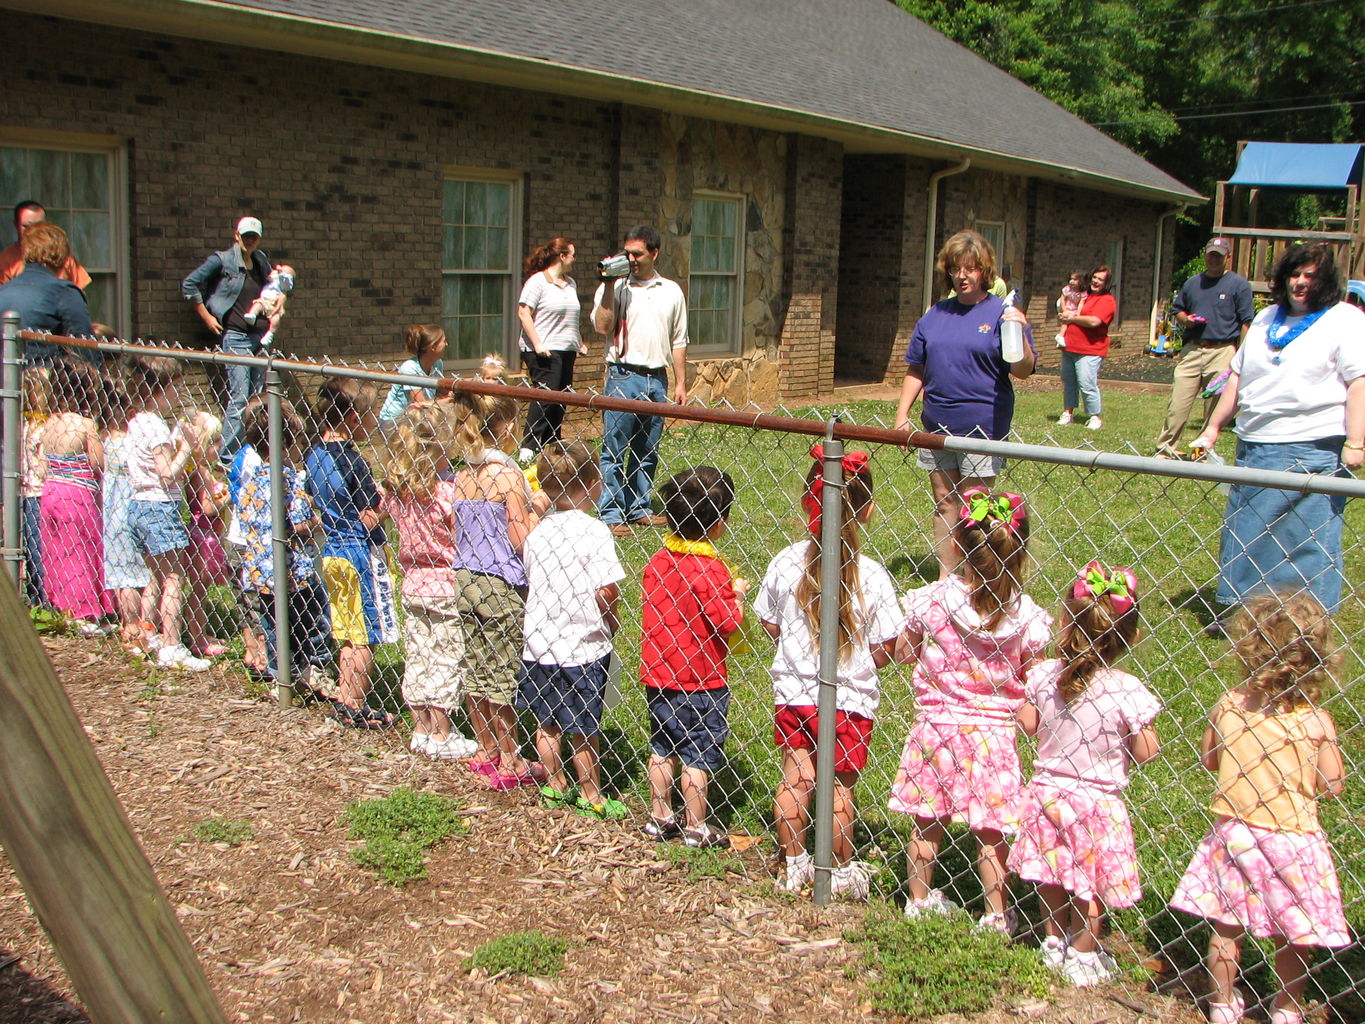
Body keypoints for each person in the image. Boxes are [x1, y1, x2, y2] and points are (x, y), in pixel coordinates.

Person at [1170, 591, 1348, 1024]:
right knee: (1295, 934)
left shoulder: (1230, 706)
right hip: (1293, 839)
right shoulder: (1315, 722)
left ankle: (1223, 1002)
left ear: (1246, 647)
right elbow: (1334, 785)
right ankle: (1286, 1006)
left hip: (1235, 833)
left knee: (1227, 926)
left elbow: (1210, 759)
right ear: (1317, 660)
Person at [888, 488, 1051, 933]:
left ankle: (918, 899)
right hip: (994, 735)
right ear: (1019, 553)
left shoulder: (934, 599)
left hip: (936, 728)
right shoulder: (1026, 617)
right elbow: (1034, 677)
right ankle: (996, 914)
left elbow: (905, 652)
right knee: (992, 830)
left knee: (927, 820)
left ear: (957, 544)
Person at [1190, 243, 1365, 624]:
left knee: (1304, 540)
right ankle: (1254, 617)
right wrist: (1213, 427)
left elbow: (1359, 382)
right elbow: (1237, 377)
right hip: (1254, 445)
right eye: (1295, 274)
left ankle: (1304, 622)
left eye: (1311, 275)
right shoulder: (1268, 317)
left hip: (1313, 447)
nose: (1301, 283)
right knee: (1250, 534)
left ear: (1326, 280)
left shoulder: (1344, 319)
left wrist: (1355, 441)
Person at [755, 446, 900, 900]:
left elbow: (768, 622)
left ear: (806, 500)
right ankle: (836, 870)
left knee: (796, 777)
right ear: (869, 509)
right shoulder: (874, 576)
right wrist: (864, 662)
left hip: (796, 694)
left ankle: (794, 862)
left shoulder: (785, 562)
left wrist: (793, 647)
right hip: (849, 701)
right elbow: (888, 646)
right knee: (839, 787)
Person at [1007, 562, 1161, 987]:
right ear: (1130, 637)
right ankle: (1083, 952)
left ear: (1064, 622)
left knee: (1051, 874)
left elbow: (1028, 724)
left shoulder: (1043, 676)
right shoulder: (1127, 690)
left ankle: (1053, 940)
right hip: (1096, 802)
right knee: (1089, 885)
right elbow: (1148, 753)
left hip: (1048, 794)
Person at [893, 229, 1036, 580]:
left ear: (984, 271)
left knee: (975, 505)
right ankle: (946, 576)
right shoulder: (936, 315)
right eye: (957, 268)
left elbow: (1023, 370)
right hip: (937, 425)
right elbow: (917, 368)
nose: (963, 275)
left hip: (982, 426)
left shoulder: (1002, 313)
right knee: (944, 501)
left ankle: (975, 577)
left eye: (971, 268)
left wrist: (1021, 330)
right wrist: (901, 416)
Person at [517, 440, 627, 818]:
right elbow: (606, 589)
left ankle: (554, 784)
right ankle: (591, 794)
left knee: (546, 722)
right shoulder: (595, 532)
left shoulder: (537, 534)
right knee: (584, 726)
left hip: (539, 645)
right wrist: (611, 617)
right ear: (594, 484)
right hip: (582, 646)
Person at [640, 465, 747, 847]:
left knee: (661, 746)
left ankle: (659, 815)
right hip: (702, 680)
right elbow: (727, 623)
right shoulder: (712, 569)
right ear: (719, 523)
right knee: (697, 754)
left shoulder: (657, 562)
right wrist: (736, 596)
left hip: (658, 674)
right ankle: (695, 825)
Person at [448, 391, 542, 787]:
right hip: (500, 582)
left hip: (465, 577)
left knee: (475, 667)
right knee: (502, 673)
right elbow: (521, 536)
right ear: (503, 426)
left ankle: (484, 748)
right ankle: (510, 759)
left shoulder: (462, 475)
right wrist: (539, 508)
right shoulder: (506, 476)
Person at [379, 402, 479, 761]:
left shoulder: (397, 491)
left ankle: (419, 728)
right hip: (446, 585)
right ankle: (441, 733)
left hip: (411, 584)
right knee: (446, 658)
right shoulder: (447, 493)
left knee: (419, 656)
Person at [305, 378, 398, 729]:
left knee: (347, 630)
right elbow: (369, 515)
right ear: (354, 418)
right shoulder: (353, 462)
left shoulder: (314, 454)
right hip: (360, 553)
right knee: (365, 636)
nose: (375, 419)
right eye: (371, 413)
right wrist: (391, 495)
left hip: (331, 551)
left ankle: (346, 698)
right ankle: (354, 704)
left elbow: (315, 497)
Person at [234, 395, 334, 699]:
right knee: (314, 621)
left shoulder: (251, 482)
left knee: (276, 628)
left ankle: (283, 679)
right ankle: (316, 669)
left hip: (263, 574)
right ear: (290, 442)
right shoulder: (289, 480)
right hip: (296, 573)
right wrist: (321, 520)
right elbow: (299, 525)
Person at [592, 225, 688, 537]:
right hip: (623, 376)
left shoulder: (671, 290)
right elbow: (601, 327)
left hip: (656, 379)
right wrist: (608, 286)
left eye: (637, 253)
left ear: (654, 253)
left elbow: (679, 340)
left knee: (647, 449)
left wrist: (680, 383)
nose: (631, 259)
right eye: (627, 253)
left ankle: (638, 507)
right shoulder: (617, 287)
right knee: (614, 449)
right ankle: (610, 512)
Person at [124, 355, 211, 671]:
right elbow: (166, 473)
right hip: (161, 506)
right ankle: (173, 646)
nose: (181, 393)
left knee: (153, 577)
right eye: (178, 387)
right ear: (162, 389)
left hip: (139, 504)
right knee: (174, 578)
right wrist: (186, 447)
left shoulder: (135, 421)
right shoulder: (157, 426)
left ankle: (148, 635)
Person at [180, 216, 274, 464]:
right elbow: (189, 284)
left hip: (259, 338)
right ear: (236, 236)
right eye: (246, 236)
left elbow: (274, 288)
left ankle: (251, 452)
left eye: (254, 236)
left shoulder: (261, 261)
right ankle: (228, 457)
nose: (250, 240)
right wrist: (207, 317)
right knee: (241, 397)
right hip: (236, 337)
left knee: (257, 399)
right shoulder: (221, 261)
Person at [1154, 239, 1254, 458]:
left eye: (1218, 255)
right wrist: (1186, 319)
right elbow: (1177, 311)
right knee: (1178, 402)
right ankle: (1165, 448)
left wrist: (1240, 354)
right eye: (1211, 254)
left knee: (1214, 405)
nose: (1214, 259)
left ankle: (1202, 449)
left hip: (1222, 350)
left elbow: (1246, 321)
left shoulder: (1238, 285)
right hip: (1192, 349)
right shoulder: (1192, 283)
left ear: (1227, 257)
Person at [38, 357, 111, 635]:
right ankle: (86, 612)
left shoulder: (51, 422)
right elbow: (97, 463)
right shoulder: (85, 424)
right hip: (77, 495)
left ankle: (64, 608)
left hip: (50, 491)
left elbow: (44, 460)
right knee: (82, 552)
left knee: (58, 552)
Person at [99, 374, 155, 653]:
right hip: (137, 510)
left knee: (123, 577)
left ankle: (128, 625)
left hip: (112, 516)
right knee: (142, 576)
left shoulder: (106, 442)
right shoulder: (133, 443)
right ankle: (145, 626)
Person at [518, 237, 584, 457]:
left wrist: (579, 341)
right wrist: (538, 344)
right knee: (546, 396)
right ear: (562, 256)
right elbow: (523, 312)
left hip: (566, 349)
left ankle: (554, 445)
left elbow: (570, 317)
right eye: (572, 255)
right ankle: (528, 446)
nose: (574, 259)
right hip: (543, 350)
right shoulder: (538, 282)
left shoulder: (571, 283)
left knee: (561, 398)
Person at [0, 221, 95, 365]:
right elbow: (85, 349)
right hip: (43, 381)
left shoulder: (4, 291)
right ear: (63, 255)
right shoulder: (63, 292)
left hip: (6, 381)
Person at [180, 411, 230, 659]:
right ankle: (197, 638)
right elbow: (208, 507)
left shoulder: (205, 469)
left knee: (202, 589)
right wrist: (227, 496)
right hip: (204, 537)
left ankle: (200, 632)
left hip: (209, 535)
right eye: (214, 441)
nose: (219, 445)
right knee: (199, 590)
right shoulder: (199, 472)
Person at [1057, 265, 1116, 431]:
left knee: (1086, 383)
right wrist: (1064, 315)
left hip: (1091, 349)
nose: (1096, 282)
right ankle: (1068, 413)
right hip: (1070, 346)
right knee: (1069, 381)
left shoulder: (1107, 300)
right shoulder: (1083, 294)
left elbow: (1094, 321)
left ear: (1106, 283)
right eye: (1094, 277)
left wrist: (1073, 318)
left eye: (1100, 280)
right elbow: (1067, 304)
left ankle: (1094, 416)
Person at [0, 200, 92, 288]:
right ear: (16, 225)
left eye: (39, 226)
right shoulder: (5, 261)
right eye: (26, 226)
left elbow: (79, 293)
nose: (33, 231)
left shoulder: (62, 256)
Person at [20, 367, 51, 606]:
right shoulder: (34, 426)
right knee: (35, 548)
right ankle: (40, 598)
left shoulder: (35, 427)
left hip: (34, 491)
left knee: (36, 547)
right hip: (32, 490)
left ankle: (41, 598)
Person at [379, 324, 447, 424]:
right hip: (393, 421)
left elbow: (440, 392)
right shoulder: (409, 368)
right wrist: (448, 401)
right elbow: (420, 404)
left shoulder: (437, 363)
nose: (446, 344)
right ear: (433, 347)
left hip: (416, 418)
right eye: (444, 341)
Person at [1054, 270, 1088, 347]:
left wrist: (1078, 313)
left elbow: (1081, 303)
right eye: (1071, 279)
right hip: (1067, 307)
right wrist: (1064, 310)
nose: (1072, 281)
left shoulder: (1082, 291)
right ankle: (1061, 336)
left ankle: (1063, 340)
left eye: (1075, 280)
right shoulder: (1067, 289)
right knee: (1066, 320)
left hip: (1075, 308)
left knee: (1073, 321)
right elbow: (1062, 299)